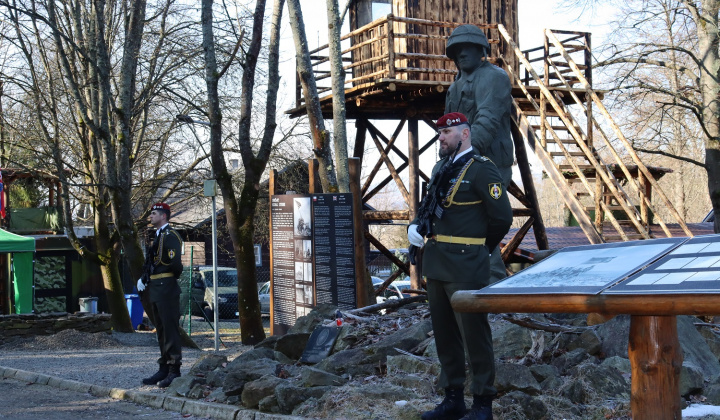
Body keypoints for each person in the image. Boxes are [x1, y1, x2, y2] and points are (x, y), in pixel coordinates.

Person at [408, 113, 513, 420]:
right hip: (437, 262)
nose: (441, 137)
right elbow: (429, 208)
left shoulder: (482, 170)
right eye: (440, 131)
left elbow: (502, 218)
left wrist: (480, 248)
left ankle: (482, 404)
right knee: (444, 334)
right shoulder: (441, 168)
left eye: (447, 131)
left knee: (474, 336)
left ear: (464, 134)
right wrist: (415, 226)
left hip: (467, 265)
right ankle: (453, 398)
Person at [445, 24, 514, 285]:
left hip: (490, 163)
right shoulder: (455, 86)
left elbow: (487, 119)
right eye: (457, 50)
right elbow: (447, 127)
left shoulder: (495, 77)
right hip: (461, 162)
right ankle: (473, 283)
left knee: (482, 221)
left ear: (480, 50)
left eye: (468, 48)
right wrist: (445, 162)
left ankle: (493, 283)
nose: (462, 54)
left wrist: (462, 155)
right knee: (461, 221)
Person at [137, 202, 184, 388]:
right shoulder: (158, 235)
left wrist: (167, 279)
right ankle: (164, 368)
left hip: (166, 287)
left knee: (170, 330)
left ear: (164, 216)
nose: (151, 216)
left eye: (154, 213)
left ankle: (174, 370)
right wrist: (145, 278)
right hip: (157, 287)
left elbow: (175, 265)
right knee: (162, 331)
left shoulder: (170, 236)